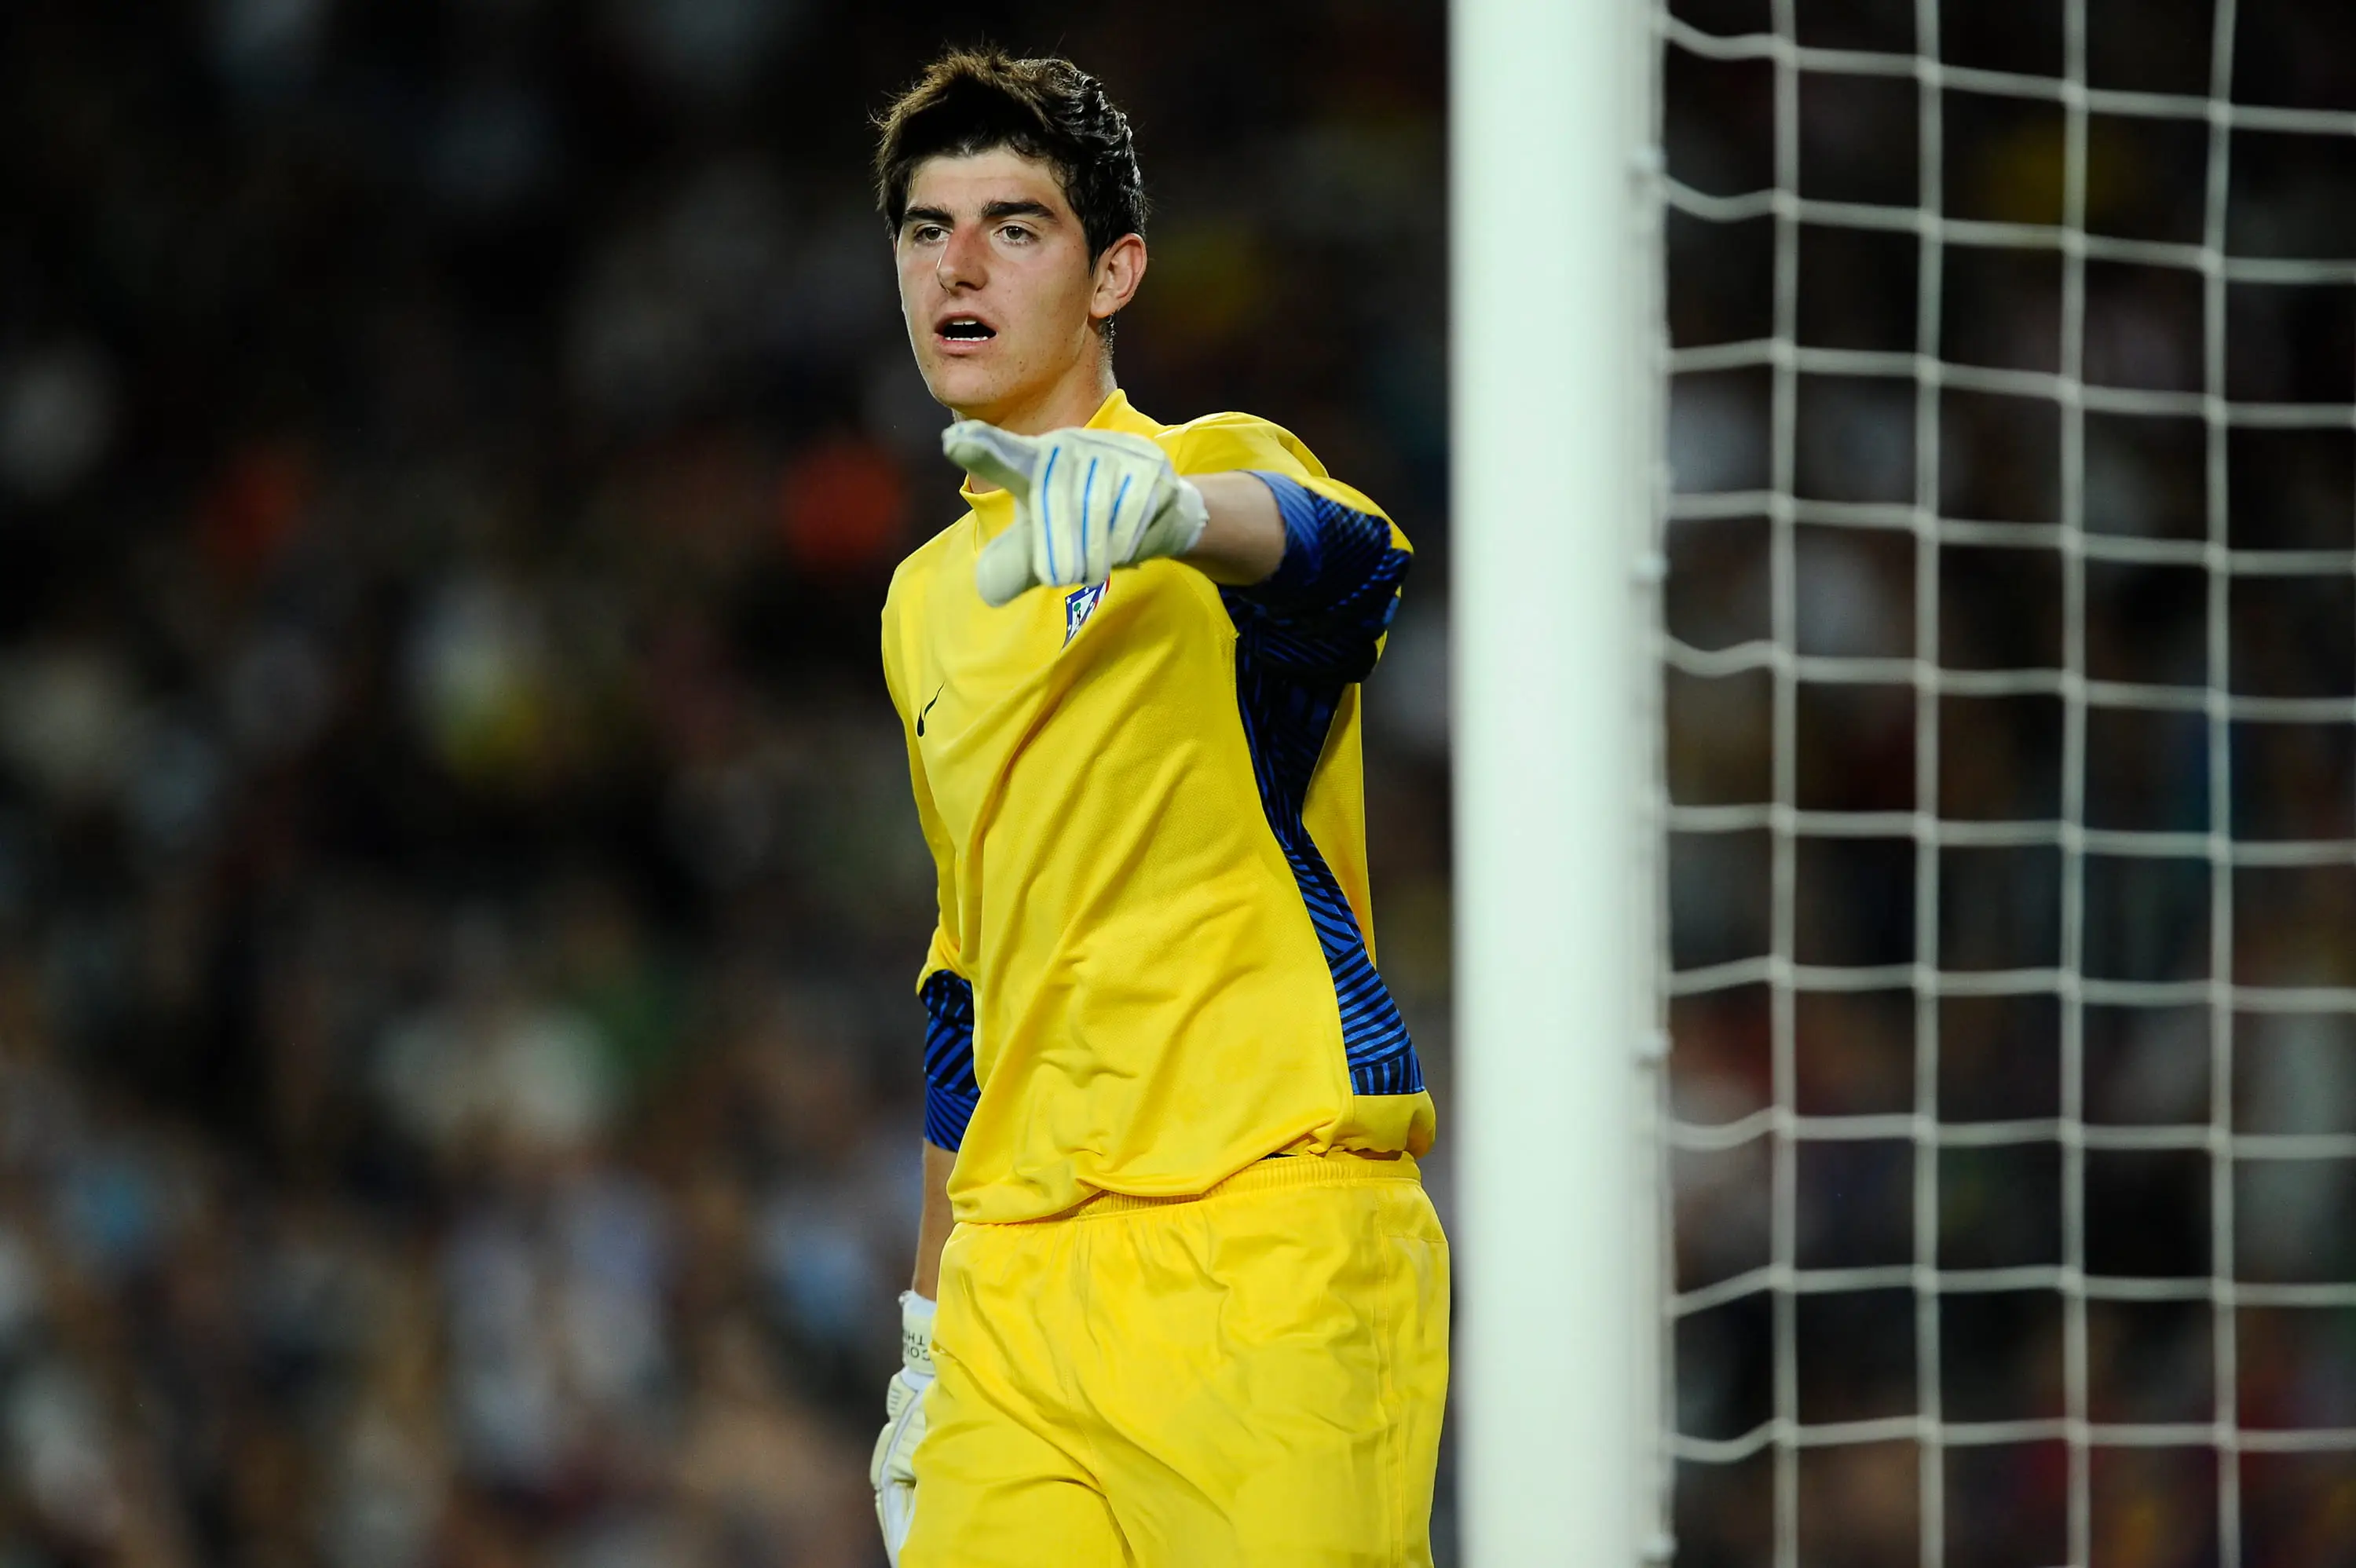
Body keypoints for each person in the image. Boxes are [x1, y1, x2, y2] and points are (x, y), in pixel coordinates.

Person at [865, 48, 1447, 1567]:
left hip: (1264, 1243)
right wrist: (926, 1332)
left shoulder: (1211, 476)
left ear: (1114, 272)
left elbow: (1353, 571)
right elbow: (968, 985)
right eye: (927, 230)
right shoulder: (920, 602)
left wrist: (1181, 521)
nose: (959, 267)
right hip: (1014, 1293)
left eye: (1015, 227)